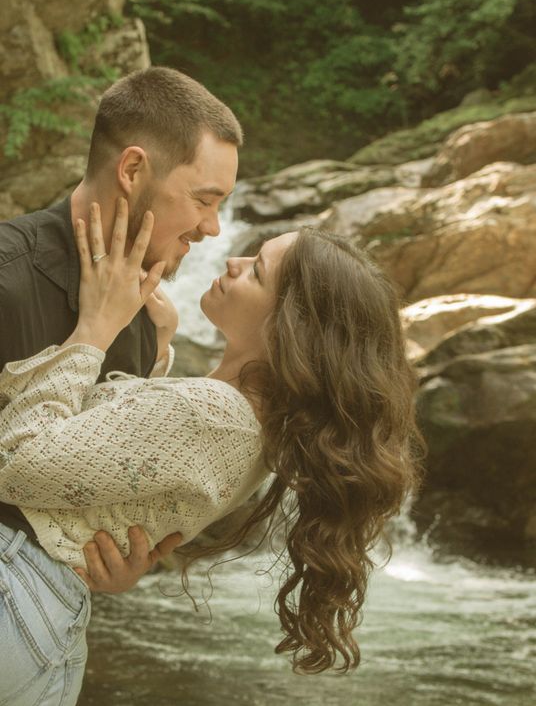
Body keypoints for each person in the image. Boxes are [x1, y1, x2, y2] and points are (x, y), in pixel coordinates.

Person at [0, 202, 422, 704]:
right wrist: (159, 346)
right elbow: (125, 460)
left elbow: (16, 461)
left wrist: (94, 329)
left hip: (19, 593)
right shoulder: (245, 425)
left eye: (257, 271)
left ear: (287, 327)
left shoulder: (214, 415)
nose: (233, 262)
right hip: (37, 612)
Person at [0, 66, 243, 592]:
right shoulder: (6, 277)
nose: (212, 227)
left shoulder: (148, 317)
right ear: (132, 169)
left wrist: (111, 561)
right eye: (203, 200)